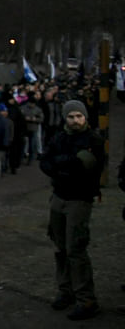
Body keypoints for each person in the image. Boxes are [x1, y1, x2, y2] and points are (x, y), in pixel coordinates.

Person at [39, 100, 106, 321]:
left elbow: (90, 167)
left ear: (85, 117)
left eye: (79, 116)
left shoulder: (93, 140)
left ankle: (86, 299)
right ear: (65, 118)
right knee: (60, 247)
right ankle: (65, 290)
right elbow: (46, 162)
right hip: (59, 197)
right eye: (71, 117)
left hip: (79, 199)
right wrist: (67, 163)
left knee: (76, 248)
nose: (76, 121)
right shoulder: (59, 138)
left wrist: (63, 165)